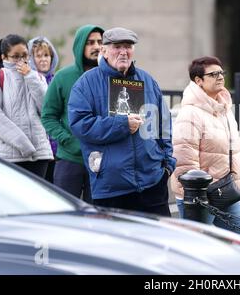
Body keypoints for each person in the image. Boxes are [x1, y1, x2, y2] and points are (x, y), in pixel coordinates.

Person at [68, 27, 175, 216]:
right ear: (104, 50)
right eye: (117, 47)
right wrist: (122, 125)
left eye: (128, 46)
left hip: (152, 182)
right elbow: (80, 124)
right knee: (116, 244)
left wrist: (167, 164)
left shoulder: (147, 80)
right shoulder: (86, 83)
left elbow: (163, 125)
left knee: (158, 242)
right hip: (111, 186)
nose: (123, 52)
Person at [170, 56, 240, 236]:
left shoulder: (224, 109)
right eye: (214, 74)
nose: (220, 77)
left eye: (221, 72)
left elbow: (235, 146)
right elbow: (184, 160)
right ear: (198, 81)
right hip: (200, 196)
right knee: (197, 245)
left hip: (226, 191)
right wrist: (196, 194)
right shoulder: (190, 113)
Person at [41, 25, 103, 202]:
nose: (96, 46)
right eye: (90, 42)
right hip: (69, 159)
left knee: (99, 216)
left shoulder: (111, 78)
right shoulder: (63, 77)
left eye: (100, 42)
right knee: (65, 214)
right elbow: (48, 116)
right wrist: (68, 140)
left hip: (102, 162)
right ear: (79, 46)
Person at [0, 34, 52, 177]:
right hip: (10, 156)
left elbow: (46, 108)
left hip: (40, 155)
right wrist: (24, 144)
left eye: (25, 55)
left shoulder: (37, 77)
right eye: (16, 56)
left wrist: (30, 77)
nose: (21, 60)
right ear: (4, 57)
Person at [28, 36, 59, 183]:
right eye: (38, 56)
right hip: (39, 147)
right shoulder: (29, 81)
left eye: (46, 55)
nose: (43, 59)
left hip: (57, 147)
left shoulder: (56, 80)